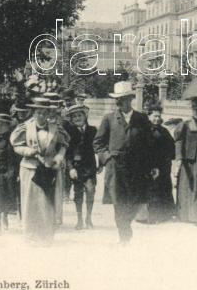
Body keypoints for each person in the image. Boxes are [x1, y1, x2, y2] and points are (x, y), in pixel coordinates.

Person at [94, 81, 159, 244]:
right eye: (117, 99)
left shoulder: (142, 119)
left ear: (130, 99)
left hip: (137, 168)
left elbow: (150, 144)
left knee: (136, 201)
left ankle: (126, 227)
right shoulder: (109, 119)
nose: (119, 102)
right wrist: (107, 158)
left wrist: (153, 165)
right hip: (115, 167)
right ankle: (124, 235)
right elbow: (98, 143)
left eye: (122, 99)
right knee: (118, 202)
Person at [11, 97, 69, 245]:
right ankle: (30, 236)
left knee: (47, 203)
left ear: (49, 112)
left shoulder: (55, 128)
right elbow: (16, 146)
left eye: (44, 112)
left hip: (49, 169)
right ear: (33, 112)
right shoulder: (25, 127)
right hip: (30, 169)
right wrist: (29, 151)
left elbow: (64, 144)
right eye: (38, 112)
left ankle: (46, 237)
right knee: (30, 203)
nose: (41, 116)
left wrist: (59, 156)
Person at [136, 102, 176, 223]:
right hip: (148, 166)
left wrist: (167, 160)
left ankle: (163, 214)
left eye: (159, 116)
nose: (157, 118)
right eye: (154, 116)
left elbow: (171, 148)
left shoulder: (164, 131)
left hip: (163, 166)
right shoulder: (143, 131)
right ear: (148, 116)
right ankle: (148, 216)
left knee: (162, 189)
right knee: (149, 190)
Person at [66, 104, 98, 230]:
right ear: (71, 119)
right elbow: (67, 152)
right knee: (78, 193)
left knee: (91, 191)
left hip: (90, 167)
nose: (77, 118)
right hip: (76, 168)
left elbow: (99, 147)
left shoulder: (93, 130)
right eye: (74, 116)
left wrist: (100, 163)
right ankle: (79, 220)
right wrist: (70, 168)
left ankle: (88, 218)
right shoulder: (69, 133)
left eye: (80, 115)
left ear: (85, 116)